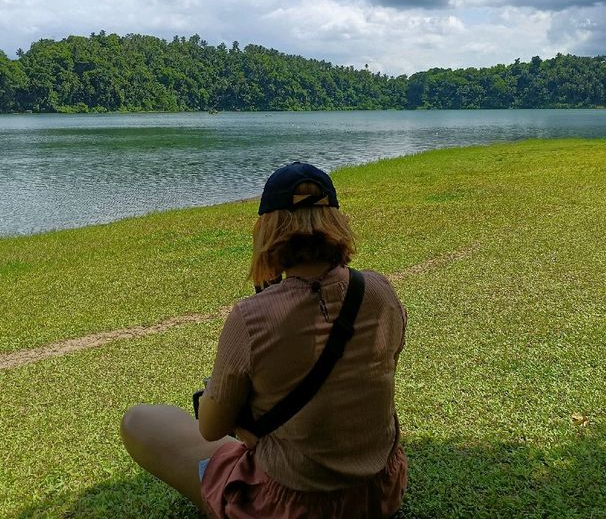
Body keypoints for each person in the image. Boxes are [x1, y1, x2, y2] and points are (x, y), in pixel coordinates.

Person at [120, 162, 408, 518]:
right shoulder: (380, 291)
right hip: (378, 495)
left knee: (139, 420)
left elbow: (211, 428)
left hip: (289, 508)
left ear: (268, 230)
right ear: (336, 222)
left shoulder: (252, 318)